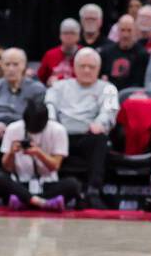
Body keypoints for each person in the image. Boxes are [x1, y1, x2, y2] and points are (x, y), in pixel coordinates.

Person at [45, 47, 118, 209]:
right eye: (82, 66)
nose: (86, 70)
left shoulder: (108, 88)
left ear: (98, 69)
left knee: (100, 139)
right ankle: (47, 188)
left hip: (89, 134)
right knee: (46, 133)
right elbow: (49, 105)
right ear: (74, 67)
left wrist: (100, 123)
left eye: (91, 67)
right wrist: (52, 124)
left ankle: (93, 190)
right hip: (61, 134)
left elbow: (109, 112)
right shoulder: (59, 86)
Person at [0, 98, 77, 211]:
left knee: (72, 184)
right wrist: (11, 153)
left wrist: (39, 153)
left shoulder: (58, 130)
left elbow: (55, 166)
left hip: (47, 183)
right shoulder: (13, 128)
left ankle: (26, 202)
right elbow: (7, 167)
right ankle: (42, 203)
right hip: (21, 183)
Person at [37, 18, 83, 85]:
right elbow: (40, 79)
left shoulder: (85, 54)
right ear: (60, 35)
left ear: (78, 36)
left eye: (72, 33)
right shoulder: (50, 54)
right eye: (66, 33)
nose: (69, 36)